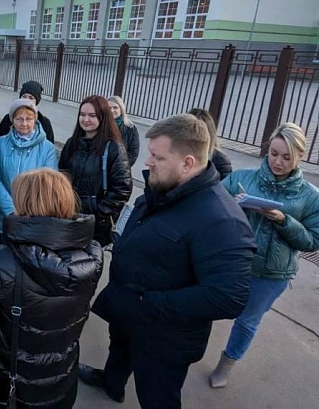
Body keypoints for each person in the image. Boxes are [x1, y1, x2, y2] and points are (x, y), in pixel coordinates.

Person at [78, 114, 256, 409]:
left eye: (157, 157)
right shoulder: (167, 187)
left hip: (164, 338)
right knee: (119, 351)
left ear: (188, 162)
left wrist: (149, 303)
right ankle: (112, 383)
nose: (147, 162)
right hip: (128, 313)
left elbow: (229, 297)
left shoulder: (221, 220)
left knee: (157, 397)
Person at [0, 168, 103, 408]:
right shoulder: (92, 255)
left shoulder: (2, 260)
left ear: (26, 204)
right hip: (60, 375)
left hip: (4, 379)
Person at [209, 122, 319, 388]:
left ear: (299, 156)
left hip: (271, 273)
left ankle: (227, 362)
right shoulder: (243, 178)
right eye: (273, 153)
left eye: (286, 157)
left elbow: (312, 241)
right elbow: (211, 205)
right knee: (207, 303)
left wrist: (284, 220)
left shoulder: (310, 196)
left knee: (247, 321)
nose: (277, 162)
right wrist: (234, 206)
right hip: (234, 261)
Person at [58, 95, 132, 247]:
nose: (86, 119)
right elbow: (61, 175)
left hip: (95, 225)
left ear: (103, 117)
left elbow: (122, 188)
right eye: (82, 114)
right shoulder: (72, 143)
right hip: (68, 216)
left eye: (92, 115)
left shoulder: (113, 148)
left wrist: (98, 211)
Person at [0, 98, 57, 245]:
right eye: (19, 119)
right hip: (4, 217)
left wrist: (28, 211)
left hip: (33, 218)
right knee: (1, 262)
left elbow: (48, 185)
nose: (24, 123)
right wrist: (12, 210)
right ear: (12, 120)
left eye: (28, 119)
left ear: (35, 120)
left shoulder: (48, 148)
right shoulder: (1, 143)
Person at [0, 80, 55, 148]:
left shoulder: (44, 123)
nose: (26, 100)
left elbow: (49, 149)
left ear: (37, 101)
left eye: (31, 98)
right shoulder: (8, 119)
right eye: (24, 96)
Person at [188, 107, 232, 180]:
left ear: (209, 132)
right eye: (191, 130)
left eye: (201, 131)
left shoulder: (220, 160)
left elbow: (225, 187)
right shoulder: (175, 152)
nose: (196, 135)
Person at [108, 95, 140, 167]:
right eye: (109, 108)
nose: (111, 110)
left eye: (115, 107)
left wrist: (121, 167)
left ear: (121, 109)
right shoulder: (99, 125)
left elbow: (133, 152)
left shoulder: (131, 128)